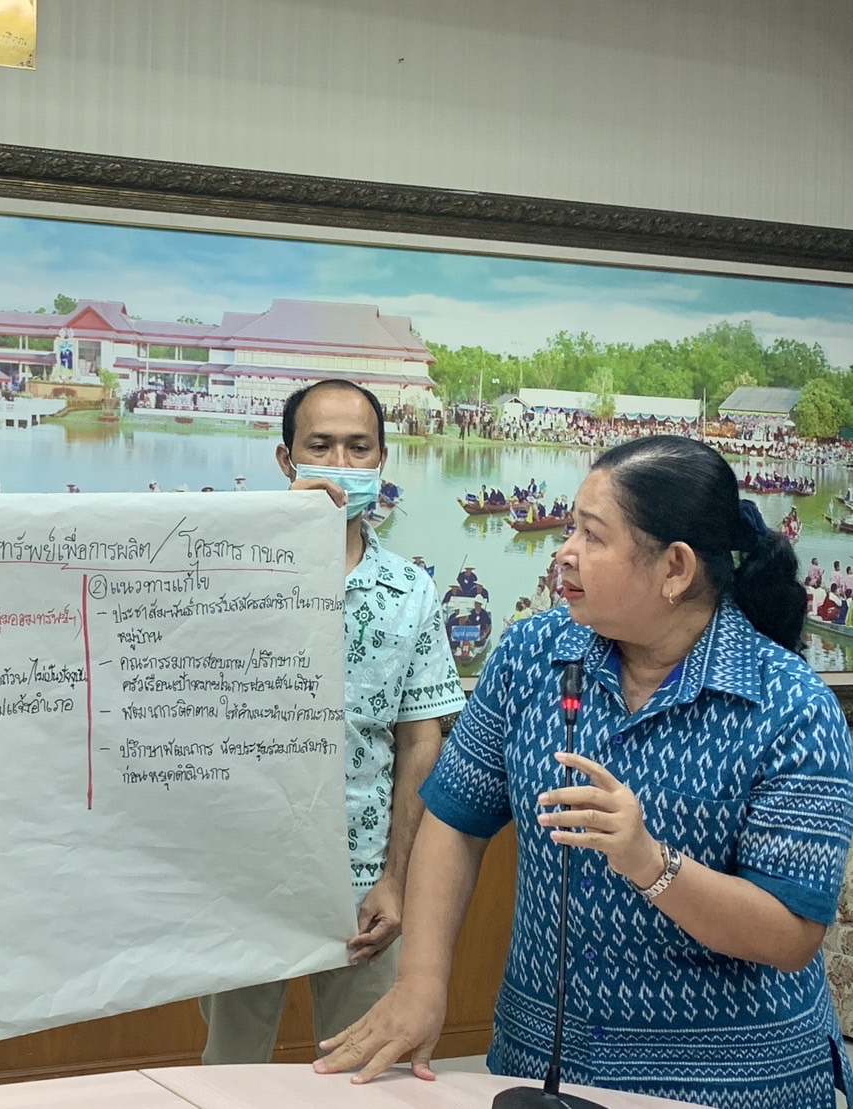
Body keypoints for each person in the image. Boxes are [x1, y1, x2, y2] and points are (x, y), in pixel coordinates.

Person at [315, 435, 853, 1109]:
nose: (563, 551)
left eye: (591, 536)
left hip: (731, 1080)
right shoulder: (530, 655)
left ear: (675, 568)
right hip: (541, 1065)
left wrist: (650, 861)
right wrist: (422, 982)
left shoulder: (790, 706)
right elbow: (454, 820)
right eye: (568, 526)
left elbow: (790, 935)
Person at [199, 379, 465, 1064]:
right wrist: (268, 543)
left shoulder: (409, 592)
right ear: (287, 461)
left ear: (381, 461)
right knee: (229, 1069)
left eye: (358, 447)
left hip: (363, 890)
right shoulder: (224, 571)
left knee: (358, 1071)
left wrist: (397, 881)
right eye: (320, 446)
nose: (339, 462)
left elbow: (419, 743)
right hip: (239, 877)